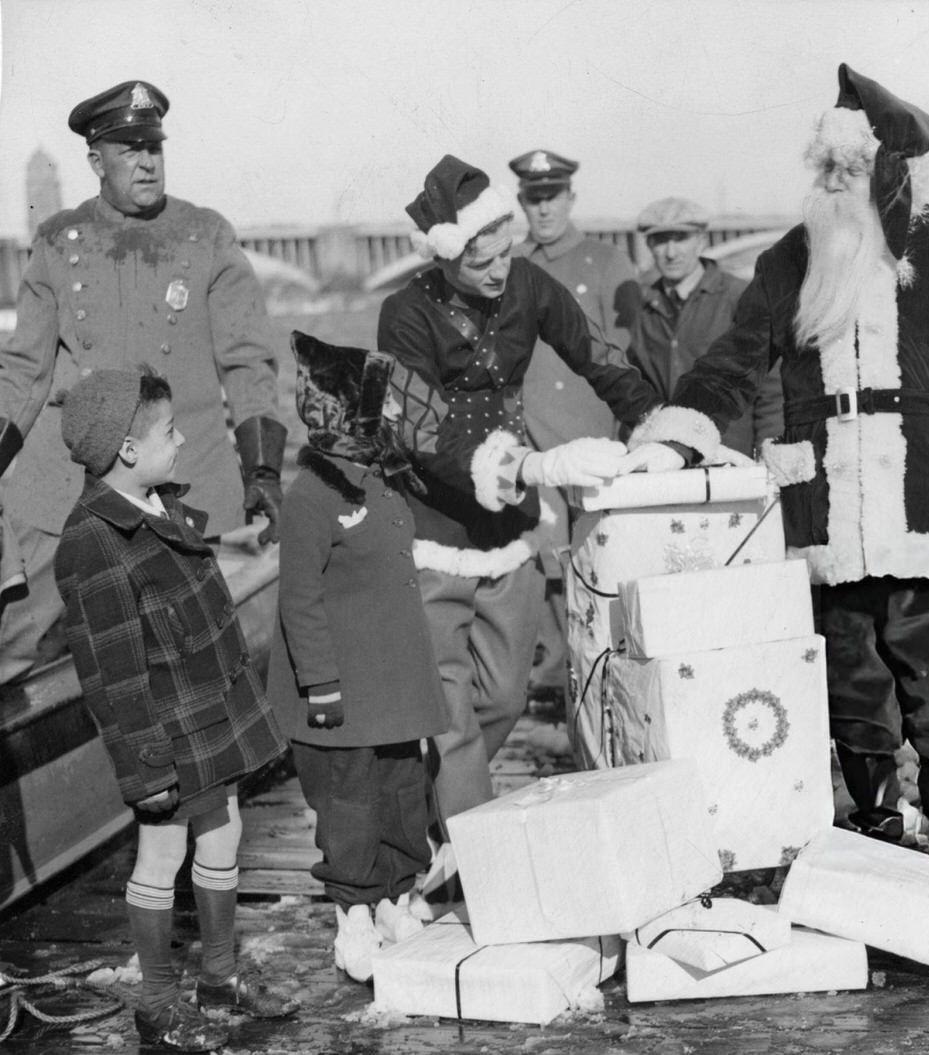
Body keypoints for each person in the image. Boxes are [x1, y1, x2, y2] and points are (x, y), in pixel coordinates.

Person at [623, 64, 929, 868]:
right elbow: (733, 361)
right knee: (850, 685)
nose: (832, 185)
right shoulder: (790, 260)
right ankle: (876, 831)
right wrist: (675, 435)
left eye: (848, 170)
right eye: (825, 169)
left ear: (890, 170)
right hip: (824, 516)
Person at [377, 155, 661, 859]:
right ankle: (478, 862)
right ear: (447, 257)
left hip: (508, 528)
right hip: (432, 528)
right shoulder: (404, 314)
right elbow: (419, 428)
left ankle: (426, 798)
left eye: (505, 252)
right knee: (449, 715)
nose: (501, 269)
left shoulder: (529, 283)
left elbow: (599, 356)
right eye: (483, 261)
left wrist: (658, 423)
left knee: (502, 697)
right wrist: (530, 464)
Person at [0, 80, 285, 687]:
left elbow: (247, 360)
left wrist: (263, 471)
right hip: (62, 484)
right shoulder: (56, 240)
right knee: (12, 639)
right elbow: (24, 372)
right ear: (96, 160)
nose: (148, 161)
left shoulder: (205, 235)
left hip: (175, 484)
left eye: (154, 146)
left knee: (181, 660)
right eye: (129, 149)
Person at [54, 368, 294, 1053]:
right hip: (164, 731)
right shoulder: (92, 541)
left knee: (222, 829)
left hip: (209, 713)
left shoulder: (157, 504)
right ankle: (157, 1005)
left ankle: (217, 975)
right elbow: (113, 674)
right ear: (127, 450)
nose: (183, 436)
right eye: (167, 429)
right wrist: (147, 764)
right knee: (162, 852)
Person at [266, 332, 451, 983]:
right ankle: (354, 914)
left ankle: (396, 895)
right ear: (343, 411)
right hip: (342, 688)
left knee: (404, 793)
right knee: (349, 804)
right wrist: (320, 684)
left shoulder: (383, 475)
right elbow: (299, 600)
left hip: (393, 681)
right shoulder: (310, 497)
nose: (394, 413)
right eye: (380, 403)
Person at [509, 149, 642, 707]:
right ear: (521, 202)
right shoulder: (509, 263)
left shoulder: (607, 263)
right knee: (542, 551)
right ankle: (553, 670)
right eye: (532, 199)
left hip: (592, 434)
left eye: (552, 197)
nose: (543, 210)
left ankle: (600, 667)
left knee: (597, 554)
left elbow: (623, 354)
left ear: (570, 198)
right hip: (531, 435)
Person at [631, 196, 783, 457]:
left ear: (701, 240)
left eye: (680, 239)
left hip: (730, 454)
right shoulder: (644, 306)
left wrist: (768, 449)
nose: (671, 252)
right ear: (649, 245)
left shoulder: (738, 296)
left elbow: (770, 386)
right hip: (667, 455)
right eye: (660, 240)